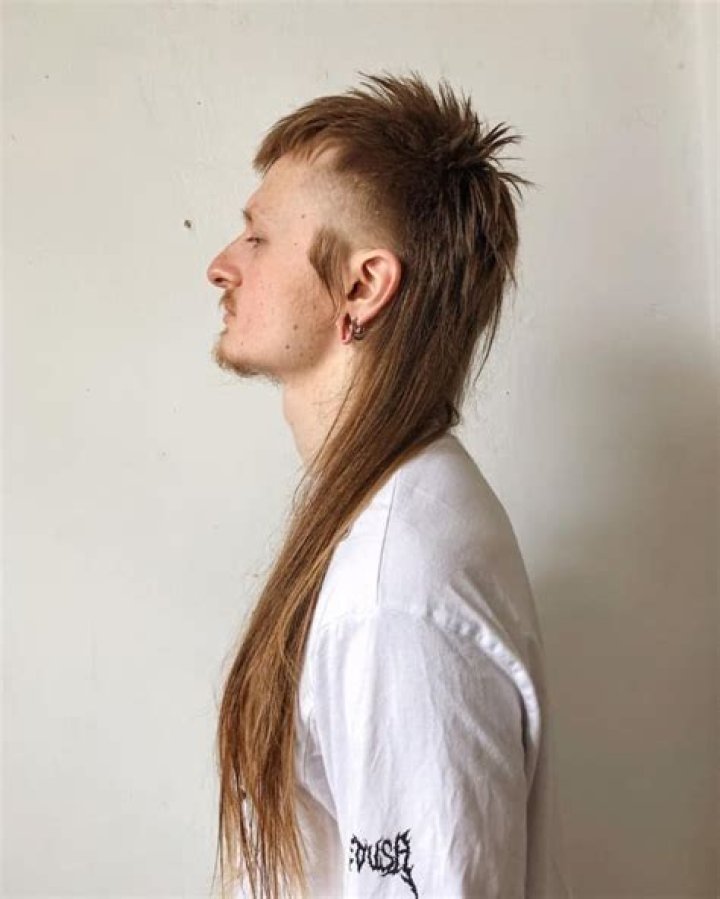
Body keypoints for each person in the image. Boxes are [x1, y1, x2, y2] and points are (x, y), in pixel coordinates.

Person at [206, 70, 572, 899]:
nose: (221, 265)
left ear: (363, 286)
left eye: (257, 237)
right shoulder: (400, 514)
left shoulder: (394, 585)